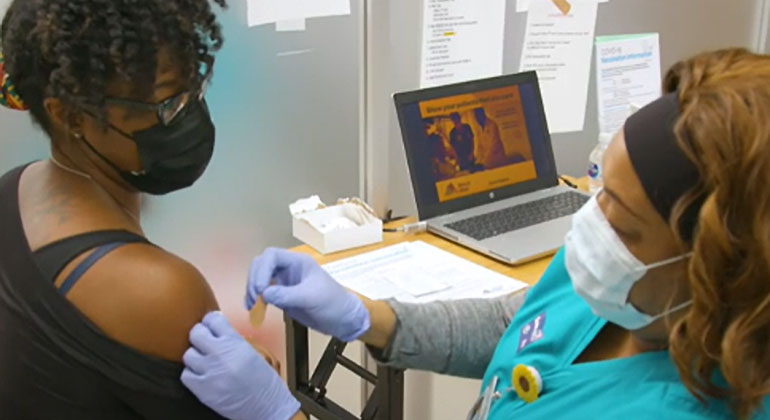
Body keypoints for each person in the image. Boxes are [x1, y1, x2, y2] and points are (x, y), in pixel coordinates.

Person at [182, 50, 770, 419]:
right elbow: (521, 325)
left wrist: (281, 416)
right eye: (598, 189)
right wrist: (370, 316)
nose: (588, 225)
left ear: (715, 269)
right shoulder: (623, 283)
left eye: (623, 220)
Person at [0, 1, 298, 419]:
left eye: (193, 90)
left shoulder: (14, 187)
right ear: (70, 116)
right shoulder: (164, 288)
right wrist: (271, 401)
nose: (188, 114)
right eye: (167, 105)